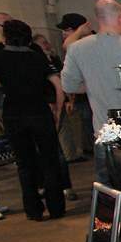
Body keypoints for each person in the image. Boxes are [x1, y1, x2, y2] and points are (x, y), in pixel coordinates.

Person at [61, 0, 121, 185]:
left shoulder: (77, 49)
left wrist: (93, 85)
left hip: (104, 131)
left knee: (109, 186)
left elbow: (69, 87)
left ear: (97, 19)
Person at [0, 20, 65, 221]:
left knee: (24, 164)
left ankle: (33, 210)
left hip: (13, 114)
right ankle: (56, 208)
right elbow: (58, 86)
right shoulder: (38, 57)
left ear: (5, 37)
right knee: (50, 162)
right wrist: (58, 109)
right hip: (40, 112)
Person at [33, 34, 80, 201]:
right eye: (43, 43)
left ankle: (65, 187)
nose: (47, 45)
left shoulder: (50, 61)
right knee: (47, 153)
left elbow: (61, 86)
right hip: (45, 111)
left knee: (58, 152)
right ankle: (46, 187)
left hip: (50, 110)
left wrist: (60, 106)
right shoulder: (39, 62)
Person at [56, 13, 95, 153]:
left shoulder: (88, 43)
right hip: (84, 97)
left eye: (66, 30)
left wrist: (79, 32)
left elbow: (67, 45)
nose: (64, 33)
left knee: (99, 140)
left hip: (92, 98)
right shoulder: (83, 45)